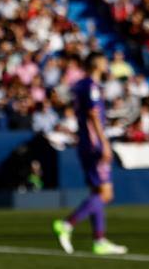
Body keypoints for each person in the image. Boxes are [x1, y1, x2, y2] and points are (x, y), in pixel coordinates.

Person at [53, 52, 128, 255]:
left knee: (96, 192)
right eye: (105, 61)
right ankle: (67, 223)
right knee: (105, 193)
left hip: (85, 143)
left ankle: (99, 240)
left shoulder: (81, 85)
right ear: (97, 64)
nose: (107, 64)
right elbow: (93, 115)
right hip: (94, 144)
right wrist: (104, 143)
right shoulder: (92, 87)